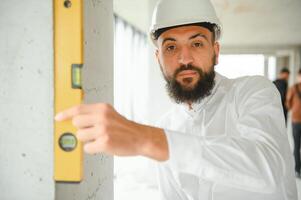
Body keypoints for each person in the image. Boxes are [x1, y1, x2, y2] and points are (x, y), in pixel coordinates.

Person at [55, 0, 297, 199]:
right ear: (157, 57)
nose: (185, 58)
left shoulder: (252, 92)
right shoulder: (168, 126)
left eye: (197, 43)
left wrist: (145, 139)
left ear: (216, 51)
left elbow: (268, 169)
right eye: (171, 47)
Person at [286, 69, 301, 178]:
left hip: (296, 120)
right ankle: (297, 169)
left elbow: (288, 104)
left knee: (297, 145)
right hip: (296, 121)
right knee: (296, 145)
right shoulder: (293, 88)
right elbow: (288, 103)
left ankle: (297, 170)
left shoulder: (293, 88)